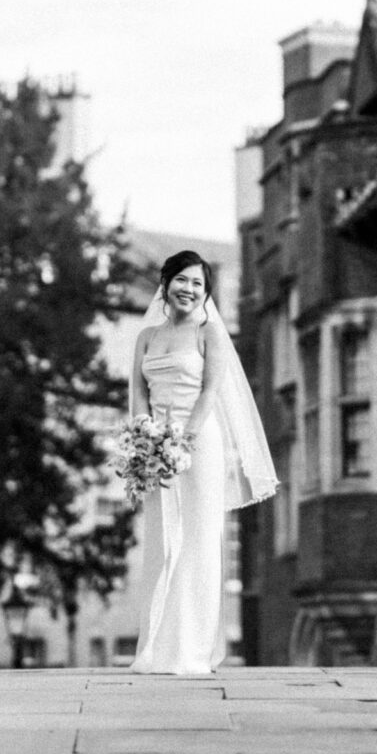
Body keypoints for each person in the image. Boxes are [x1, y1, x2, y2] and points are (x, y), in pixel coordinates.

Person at [128, 251, 278, 675]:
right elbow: (138, 391)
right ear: (166, 283)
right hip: (156, 445)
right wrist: (145, 437)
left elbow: (210, 391)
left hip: (199, 443)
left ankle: (192, 652)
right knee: (161, 541)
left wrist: (183, 441)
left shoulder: (209, 333)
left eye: (198, 284)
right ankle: (156, 648)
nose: (189, 289)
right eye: (182, 280)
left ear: (206, 293)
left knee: (198, 540)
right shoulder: (147, 338)